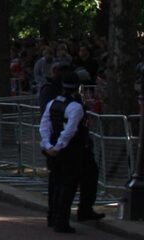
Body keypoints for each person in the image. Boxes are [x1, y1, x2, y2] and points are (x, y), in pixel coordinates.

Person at [41, 73, 104, 231]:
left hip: (56, 148)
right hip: (72, 150)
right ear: (77, 87)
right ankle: (61, 221)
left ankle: (55, 216)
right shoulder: (75, 107)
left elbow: (44, 126)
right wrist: (57, 147)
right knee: (67, 186)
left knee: (58, 183)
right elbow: (70, 130)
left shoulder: (52, 103)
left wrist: (48, 145)